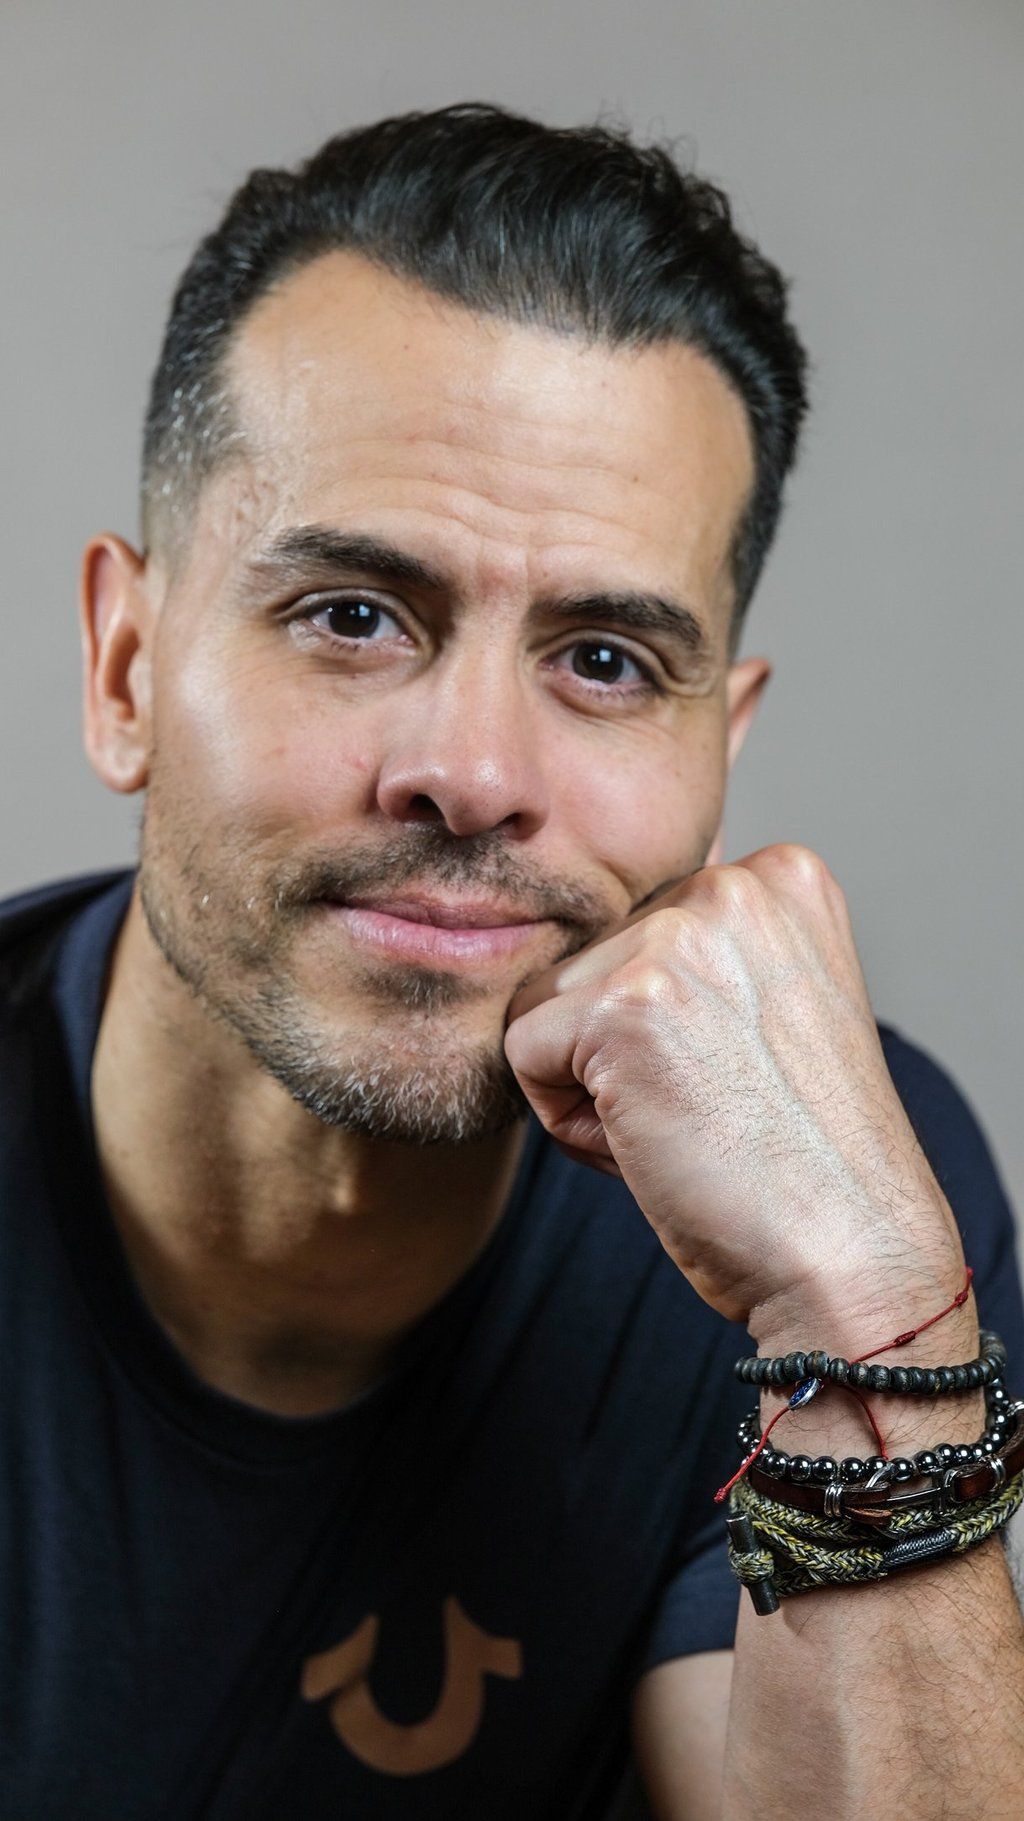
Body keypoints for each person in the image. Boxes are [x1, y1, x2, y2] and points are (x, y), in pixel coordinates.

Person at [2, 102, 1022, 1821]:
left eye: (607, 659)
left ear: (721, 744)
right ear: (125, 668)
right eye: (353, 615)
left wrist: (864, 1308)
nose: (473, 773)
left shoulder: (827, 1205)